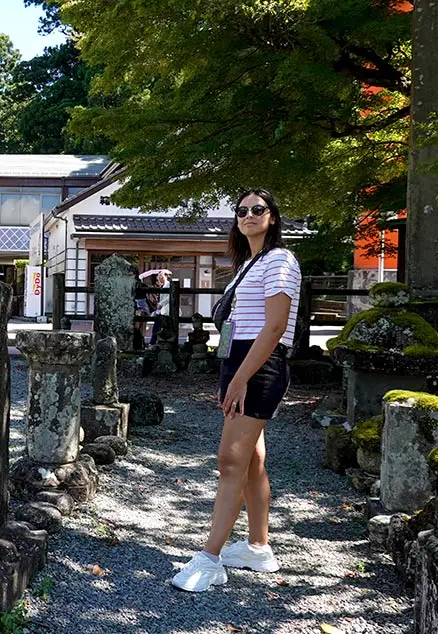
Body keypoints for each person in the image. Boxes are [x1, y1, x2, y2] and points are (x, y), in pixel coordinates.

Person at [170, 188, 301, 592]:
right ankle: (258, 547)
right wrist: (232, 373)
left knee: (231, 459)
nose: (248, 215)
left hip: (259, 364)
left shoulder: (280, 259)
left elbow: (275, 326)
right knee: (252, 459)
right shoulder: (250, 262)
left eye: (257, 210)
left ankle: (209, 559)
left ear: (273, 217)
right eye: (241, 211)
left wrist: (242, 377)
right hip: (240, 360)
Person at [149, 270, 172, 345]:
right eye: (158, 276)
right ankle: (153, 343)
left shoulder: (168, 285)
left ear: (165, 276)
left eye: (161, 276)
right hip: (162, 311)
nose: (159, 278)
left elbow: (169, 297)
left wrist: (161, 304)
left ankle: (153, 343)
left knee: (158, 328)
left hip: (166, 310)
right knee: (157, 328)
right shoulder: (162, 286)